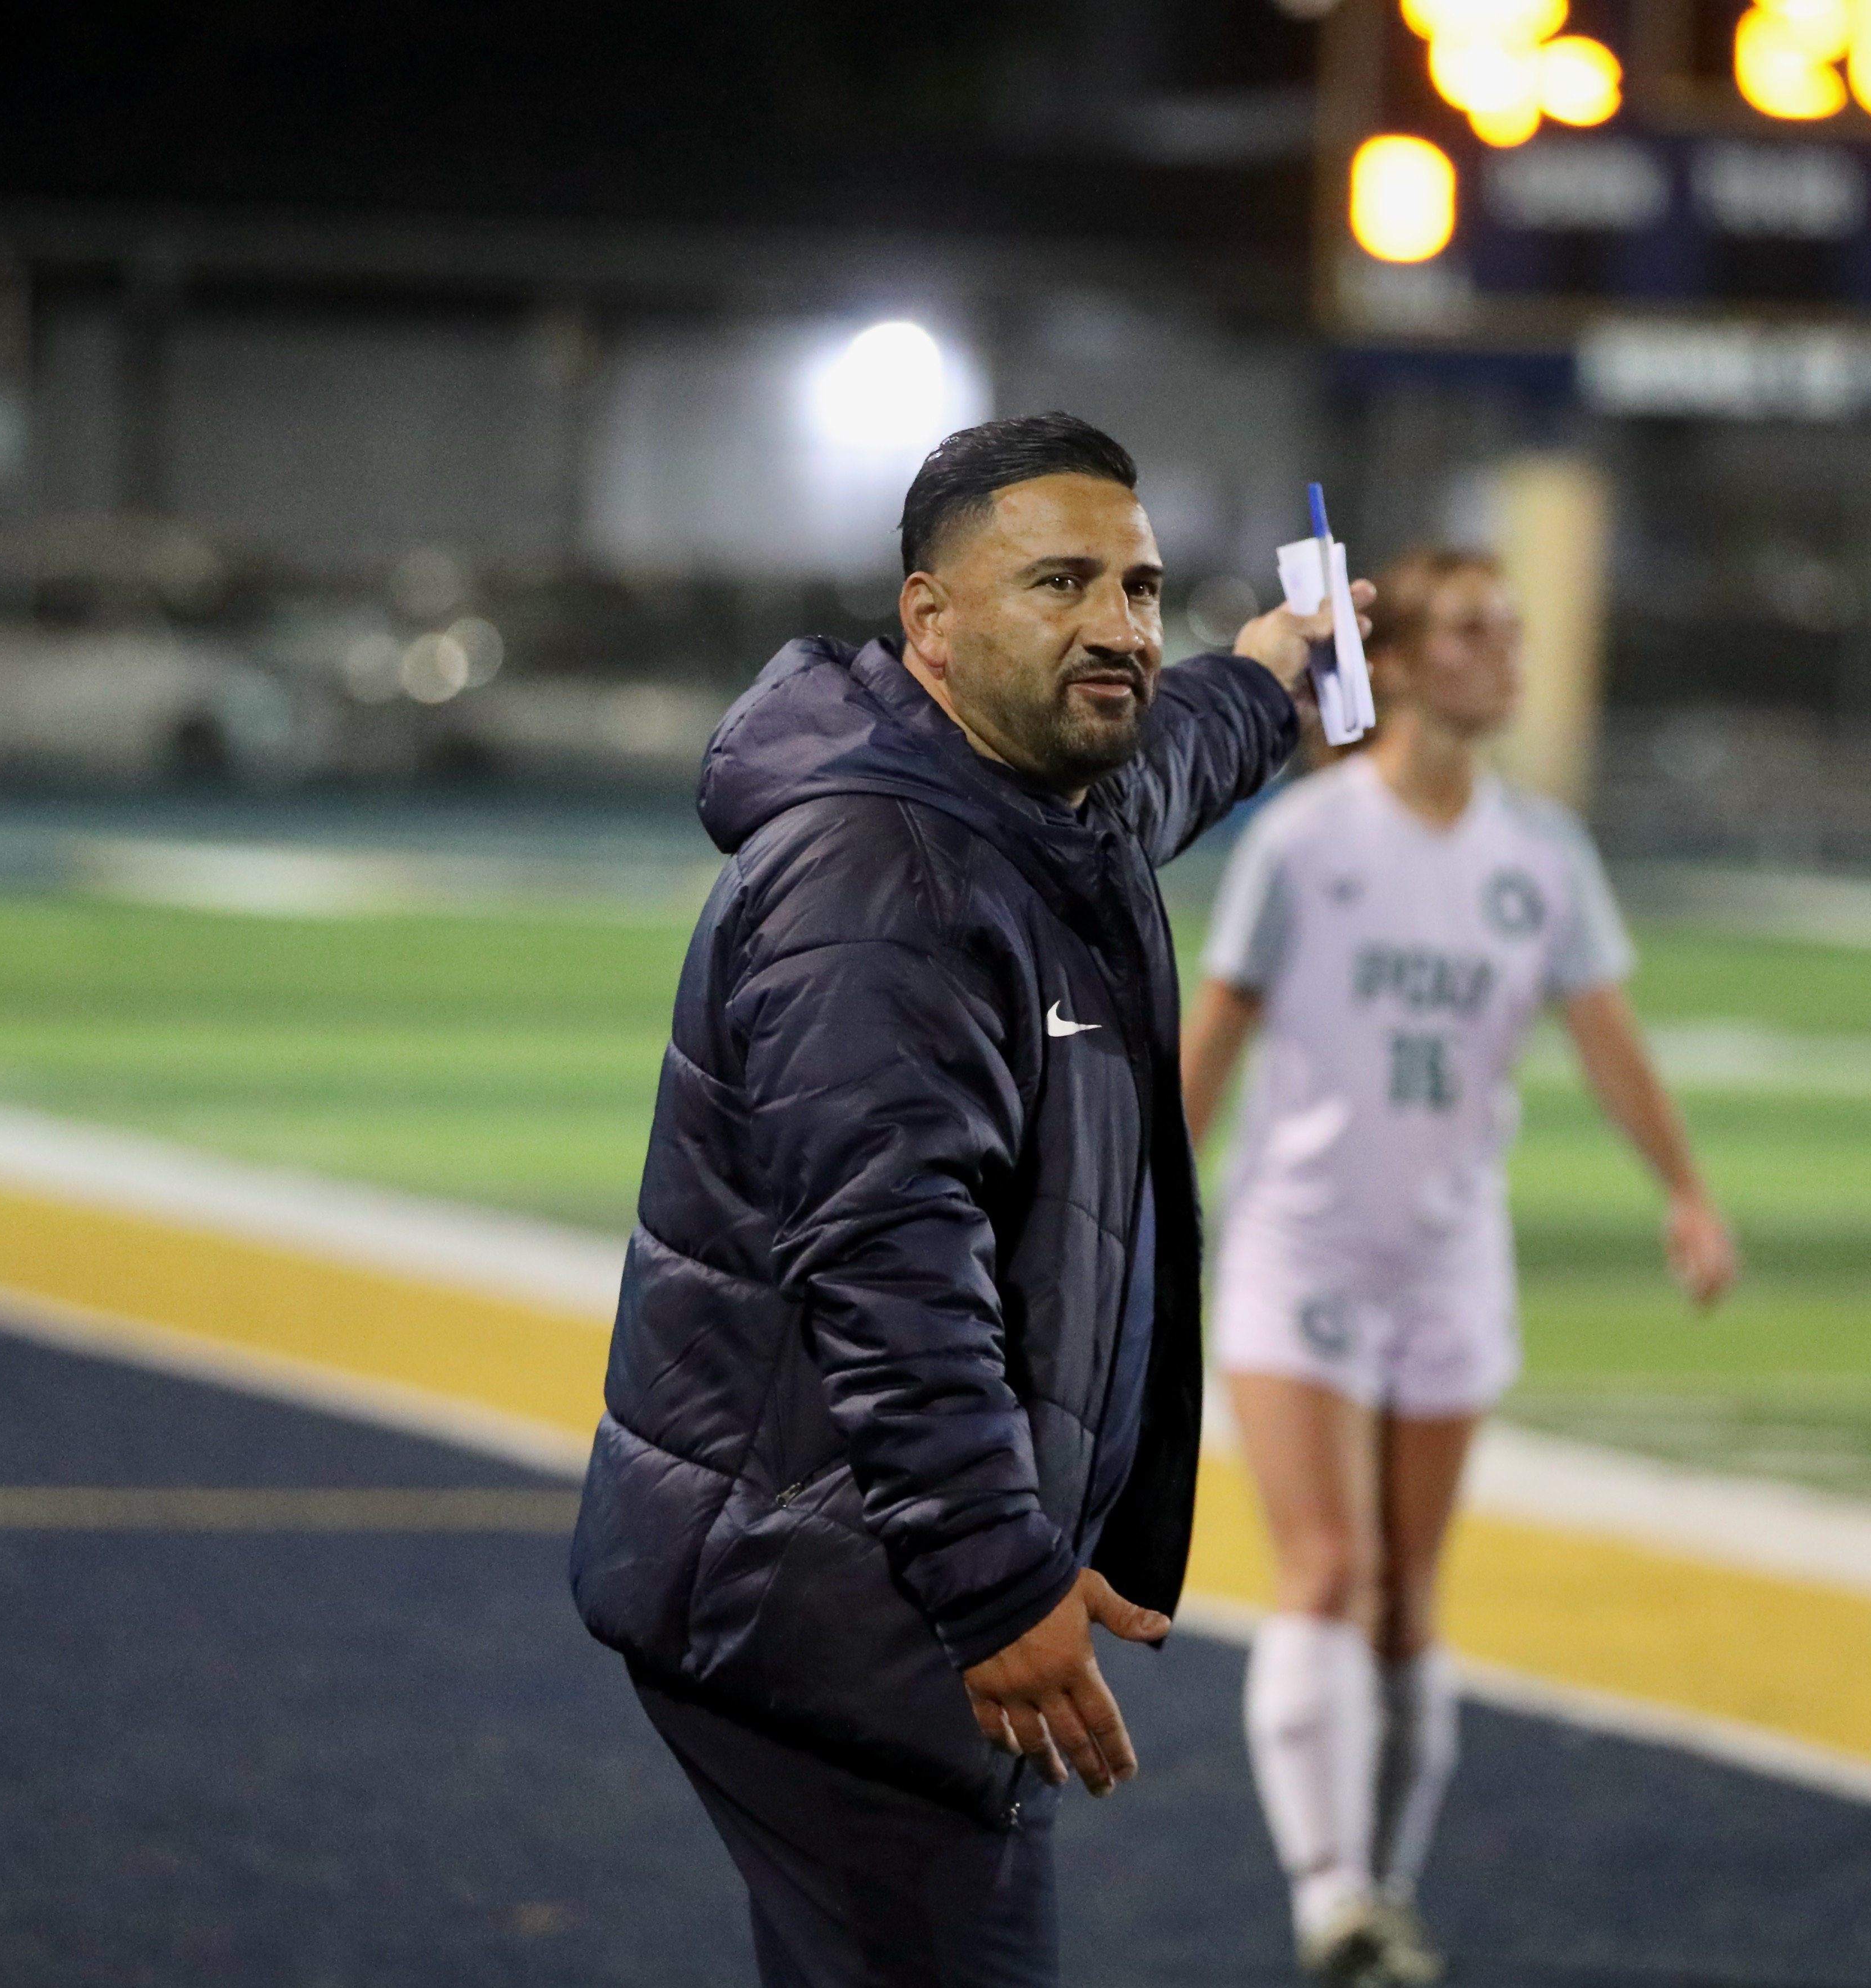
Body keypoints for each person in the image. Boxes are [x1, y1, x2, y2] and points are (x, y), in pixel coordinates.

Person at [571, 412, 1364, 1988]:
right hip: (837, 1599)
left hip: (846, 1564)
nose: (1115, 628)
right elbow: (885, 1258)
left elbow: (1166, 760)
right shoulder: (882, 875)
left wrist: (1272, 673)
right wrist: (989, 1575)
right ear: (927, 621)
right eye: (1058, 583)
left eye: (1137, 591)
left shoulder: (1036, 807)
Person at [1180, 547, 1736, 1987]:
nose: (1511, 656)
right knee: (1327, 1569)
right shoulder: (1307, 842)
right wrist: (1133, 1208)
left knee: (1409, 1601)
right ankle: (1327, 1896)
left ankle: (1385, 1887)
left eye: (1515, 631)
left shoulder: (1541, 855)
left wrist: (1683, 1191)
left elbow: (1607, 1037)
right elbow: (1213, 1043)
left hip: (1446, 1264)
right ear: (1408, 661)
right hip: (1297, 1248)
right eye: (1479, 632)